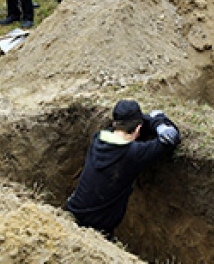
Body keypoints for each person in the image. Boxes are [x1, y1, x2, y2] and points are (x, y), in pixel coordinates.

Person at [66, 99, 181, 241]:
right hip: (96, 230)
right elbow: (172, 138)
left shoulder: (99, 139)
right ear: (138, 129)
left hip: (71, 215)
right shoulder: (132, 154)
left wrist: (144, 120)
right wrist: (157, 120)